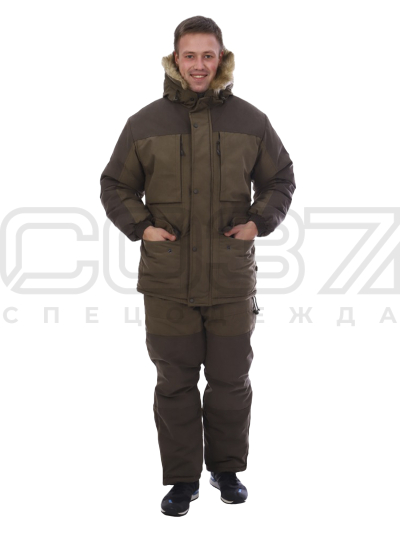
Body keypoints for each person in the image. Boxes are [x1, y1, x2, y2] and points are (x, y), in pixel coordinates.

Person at [99, 15, 296, 517]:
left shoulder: (251, 121)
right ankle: (183, 479)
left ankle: (226, 470)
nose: (199, 65)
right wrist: (143, 226)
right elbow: (115, 185)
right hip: (167, 281)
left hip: (230, 279)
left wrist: (258, 221)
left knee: (231, 381)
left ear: (221, 58)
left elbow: (281, 178)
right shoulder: (144, 124)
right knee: (175, 383)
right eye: (190, 55)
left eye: (209, 55)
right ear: (175, 59)